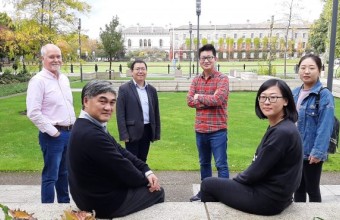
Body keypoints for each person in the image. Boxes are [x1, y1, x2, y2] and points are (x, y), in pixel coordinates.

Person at [200, 79, 303, 216]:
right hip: (277, 195)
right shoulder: (282, 126)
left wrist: (235, 184)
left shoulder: (282, 133)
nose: (266, 102)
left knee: (208, 184)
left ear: (285, 101)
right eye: (263, 97)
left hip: (269, 199)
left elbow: (254, 172)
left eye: (273, 97)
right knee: (221, 186)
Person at [67, 80, 164, 219]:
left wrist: (146, 170)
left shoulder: (88, 124)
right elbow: (124, 169)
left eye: (112, 102)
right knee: (158, 192)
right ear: (86, 101)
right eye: (102, 101)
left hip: (89, 196)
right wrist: (148, 181)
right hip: (100, 203)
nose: (108, 107)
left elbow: (121, 151)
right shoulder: (91, 134)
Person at [26, 43, 76, 203]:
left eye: (58, 56)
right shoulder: (38, 81)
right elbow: (33, 112)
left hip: (69, 133)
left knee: (65, 173)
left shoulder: (64, 79)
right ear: (43, 59)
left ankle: (64, 206)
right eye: (51, 57)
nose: (56, 60)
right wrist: (54, 132)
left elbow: (68, 105)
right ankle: (46, 210)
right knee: (51, 175)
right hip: (52, 135)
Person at [187, 44, 229, 202]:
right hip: (201, 130)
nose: (206, 60)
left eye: (209, 57)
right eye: (203, 58)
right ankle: (206, 194)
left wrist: (199, 97)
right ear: (199, 60)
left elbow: (218, 100)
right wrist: (207, 99)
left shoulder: (222, 79)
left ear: (215, 59)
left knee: (221, 165)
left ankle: (225, 195)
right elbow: (189, 101)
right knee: (204, 164)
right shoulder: (196, 79)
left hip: (218, 130)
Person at [293, 54, 335, 203]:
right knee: (297, 188)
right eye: (303, 67)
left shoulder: (324, 95)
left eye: (311, 68)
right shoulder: (295, 93)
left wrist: (318, 152)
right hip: (295, 151)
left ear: (319, 70)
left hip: (311, 152)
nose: (306, 71)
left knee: (312, 189)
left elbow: (325, 126)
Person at [116, 60, 160, 162]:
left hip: (147, 130)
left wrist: (156, 132)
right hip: (132, 132)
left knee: (143, 159)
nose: (140, 71)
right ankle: (131, 178)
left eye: (143, 69)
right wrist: (124, 134)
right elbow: (120, 113)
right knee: (131, 161)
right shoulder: (124, 89)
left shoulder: (152, 90)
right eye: (137, 69)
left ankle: (142, 178)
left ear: (146, 71)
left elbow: (156, 112)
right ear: (132, 72)